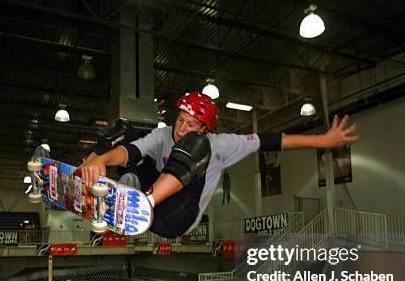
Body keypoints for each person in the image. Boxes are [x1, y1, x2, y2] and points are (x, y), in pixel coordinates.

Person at [79, 92, 359, 238]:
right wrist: (100, 159)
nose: (180, 129)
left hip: (177, 218)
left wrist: (322, 141)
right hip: (153, 199)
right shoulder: (165, 133)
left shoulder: (220, 143)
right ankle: (98, 173)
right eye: (179, 120)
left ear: (204, 126)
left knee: (198, 146)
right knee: (127, 131)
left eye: (190, 124)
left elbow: (271, 141)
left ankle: (143, 201)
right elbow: (130, 150)